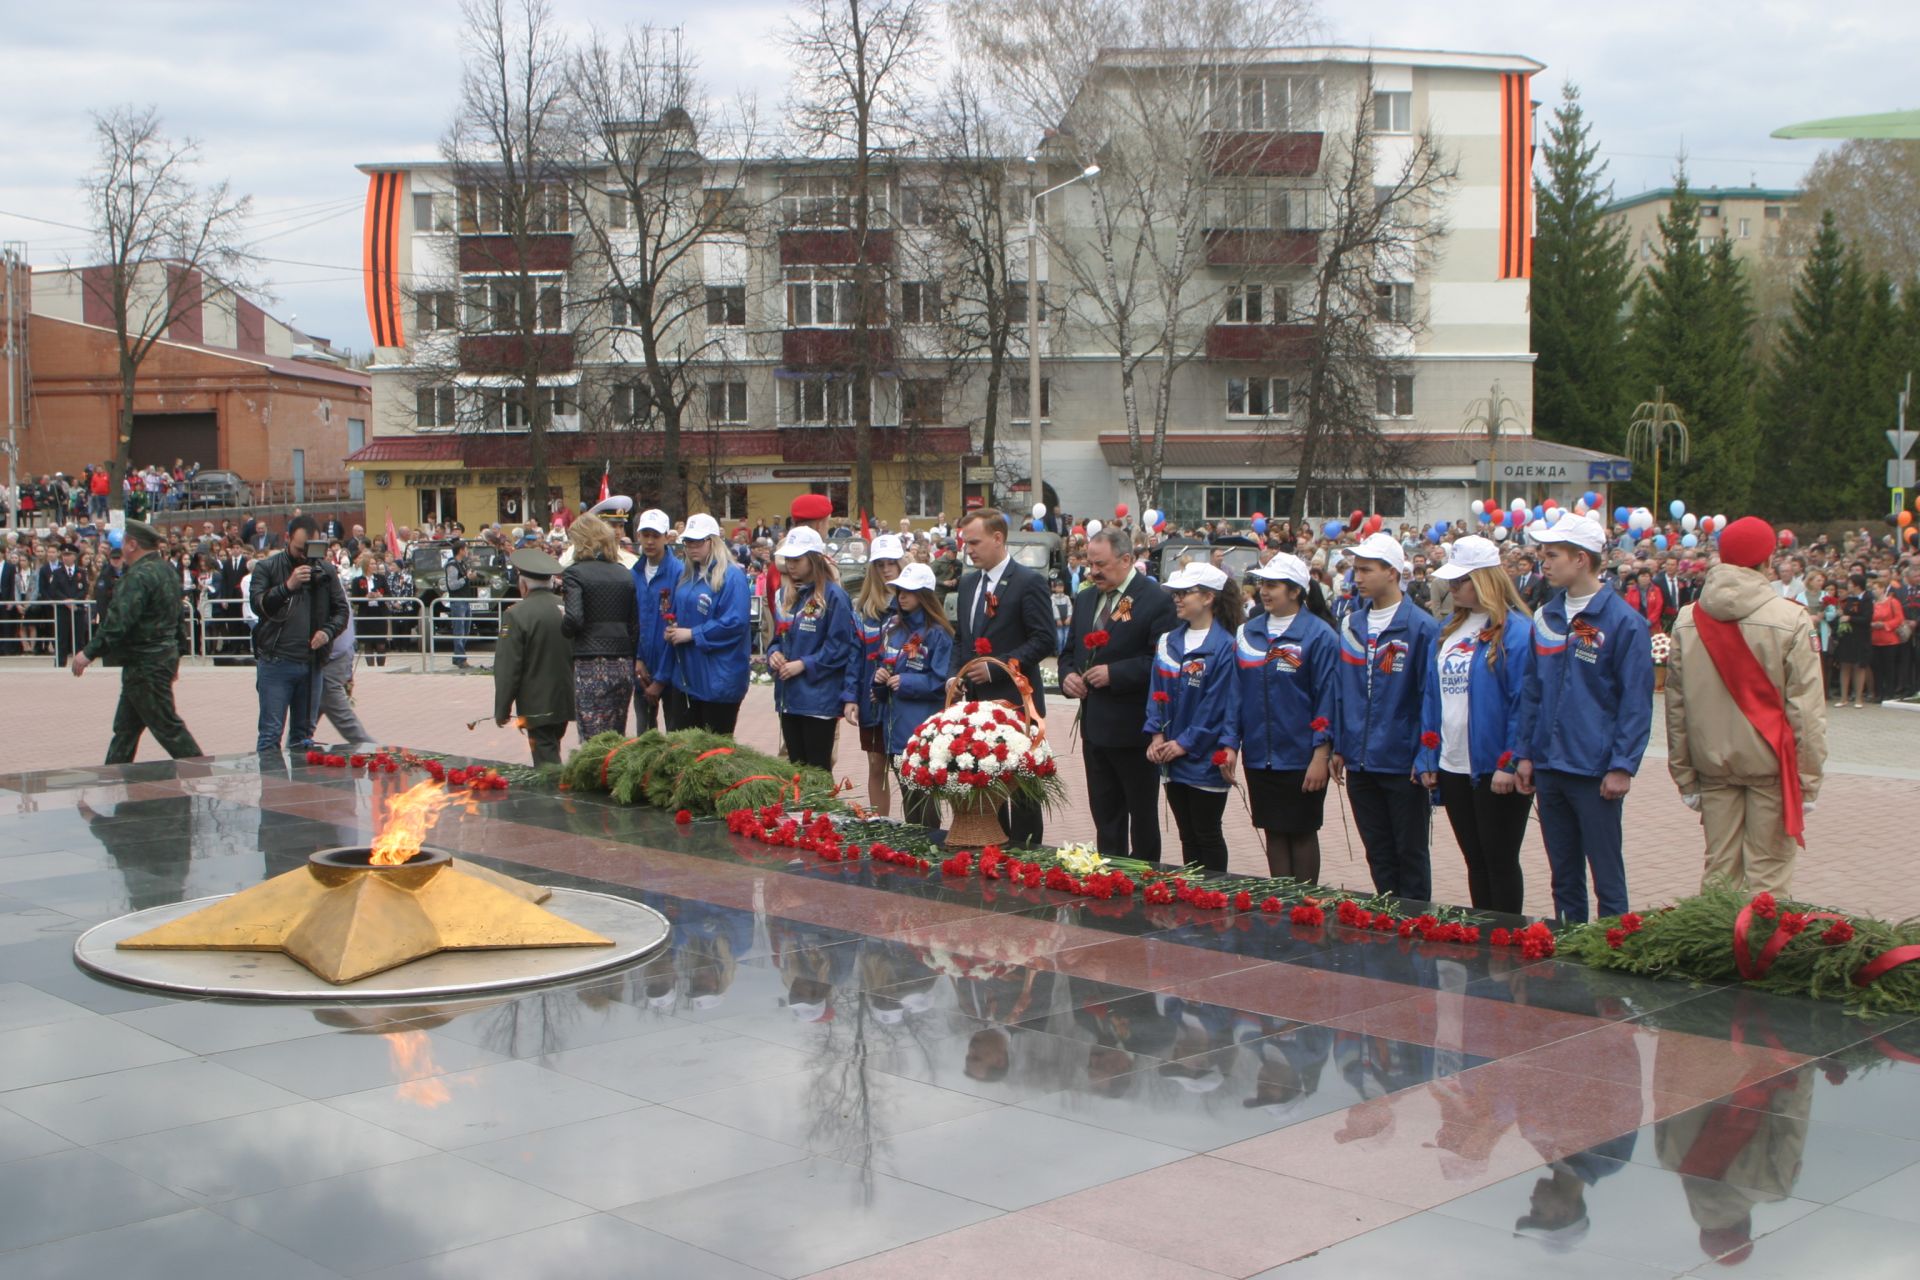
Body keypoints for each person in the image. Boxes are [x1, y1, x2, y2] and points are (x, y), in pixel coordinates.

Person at [1665, 517, 1826, 897]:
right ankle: (1756, 956)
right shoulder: (1791, 619)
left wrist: (1685, 776)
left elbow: (1676, 709)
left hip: (1712, 764)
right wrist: (1808, 781)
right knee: (1768, 879)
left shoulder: (1689, 619)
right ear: (1767, 561)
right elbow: (1806, 713)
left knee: (1719, 874)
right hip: (1772, 765)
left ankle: (1715, 952)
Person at [1515, 515, 1654, 923]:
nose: (1544, 563)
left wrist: (1622, 765)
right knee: (1563, 874)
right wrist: (1525, 754)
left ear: (1581, 560)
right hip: (1549, 766)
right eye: (1542, 554)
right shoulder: (1546, 617)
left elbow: (1635, 703)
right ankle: (1569, 945)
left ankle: (1613, 947)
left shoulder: (1624, 622)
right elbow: (1532, 690)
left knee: (1606, 876)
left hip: (1594, 771)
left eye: (1552, 555)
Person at [1419, 535, 1534, 914]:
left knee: (1499, 860)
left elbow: (1523, 701)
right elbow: (1433, 699)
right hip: (1453, 764)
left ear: (1485, 578)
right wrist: (1428, 756)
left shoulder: (1516, 631)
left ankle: (1507, 938)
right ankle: (1486, 936)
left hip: (1492, 767)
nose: (1452, 588)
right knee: (1475, 860)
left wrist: (1510, 761)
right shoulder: (1448, 632)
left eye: (1461, 581)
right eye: (1451, 581)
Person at [1331, 533, 1440, 902]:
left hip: (1401, 761)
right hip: (1360, 761)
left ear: (1392, 572)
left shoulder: (1421, 627)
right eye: (1354, 570)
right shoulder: (1351, 624)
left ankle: (1417, 923)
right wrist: (1338, 744)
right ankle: (1389, 916)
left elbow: (1429, 695)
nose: (1356, 578)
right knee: (1377, 850)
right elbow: (1341, 689)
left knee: (1409, 851)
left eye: (1366, 570)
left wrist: (1425, 754)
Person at [1060, 526, 1177, 862]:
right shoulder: (1085, 598)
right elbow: (1069, 653)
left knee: (1141, 816)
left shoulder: (1154, 600)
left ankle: (1143, 878)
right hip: (1095, 728)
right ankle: (1109, 876)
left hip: (1134, 729)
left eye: (1101, 565)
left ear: (1126, 560)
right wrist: (1068, 676)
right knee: (1105, 813)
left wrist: (1116, 673)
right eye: (1089, 563)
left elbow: (1162, 661)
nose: (1093, 571)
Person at [947, 508, 1057, 846]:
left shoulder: (1028, 582)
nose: (970, 549)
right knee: (986, 779)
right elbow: (961, 638)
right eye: (966, 543)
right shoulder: (967, 584)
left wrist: (1000, 666)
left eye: (976, 542)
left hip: (1016, 703)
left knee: (1021, 785)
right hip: (978, 704)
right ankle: (992, 843)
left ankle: (1026, 850)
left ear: (998, 538)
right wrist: (956, 675)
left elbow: (1044, 639)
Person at [1236, 553, 1339, 882]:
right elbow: (1237, 694)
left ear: (1296, 591)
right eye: (1262, 583)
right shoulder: (1248, 633)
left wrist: (1321, 754)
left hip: (1300, 756)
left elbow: (1328, 698)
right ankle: (1280, 907)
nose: (1264, 591)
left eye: (1274, 585)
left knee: (1301, 830)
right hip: (1259, 755)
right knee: (1274, 830)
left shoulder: (1320, 636)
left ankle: (1306, 906)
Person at [69, 521, 202, 763]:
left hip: (145, 664)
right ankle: (113, 779)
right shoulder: (166, 570)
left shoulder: (138, 576)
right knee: (125, 730)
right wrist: (175, 657)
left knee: (167, 727)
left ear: (133, 544)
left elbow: (117, 623)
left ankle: (202, 774)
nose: (119, 548)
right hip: (155, 660)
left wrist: (88, 653)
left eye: (123, 543)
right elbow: (177, 619)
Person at [1143, 563, 1242, 872]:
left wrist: (1185, 742)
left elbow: (1218, 705)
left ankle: (1214, 896)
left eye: (1185, 593)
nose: (1177, 599)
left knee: (1207, 832)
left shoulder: (1226, 646)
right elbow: (1156, 692)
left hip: (1204, 756)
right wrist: (1157, 735)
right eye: (1176, 593)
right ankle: (1195, 897)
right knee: (1187, 835)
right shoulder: (1167, 641)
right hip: (1172, 754)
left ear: (1209, 598)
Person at [249, 515, 348, 754]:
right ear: (287, 539)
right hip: (276, 662)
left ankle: (300, 790)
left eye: (311, 548)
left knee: (304, 737)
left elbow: (341, 611)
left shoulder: (325, 570)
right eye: (299, 548)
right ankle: (272, 789)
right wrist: (287, 586)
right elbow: (258, 605)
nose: (305, 555)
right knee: (271, 733)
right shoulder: (267, 567)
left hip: (312, 663)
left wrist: (327, 632)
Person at [765, 526, 859, 771]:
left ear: (814, 559)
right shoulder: (786, 595)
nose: (791, 565)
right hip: (789, 697)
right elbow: (778, 638)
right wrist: (773, 654)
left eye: (797, 559)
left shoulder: (834, 596)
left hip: (818, 699)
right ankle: (800, 811)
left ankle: (818, 812)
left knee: (816, 772)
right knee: (795, 770)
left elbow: (840, 646)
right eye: (788, 560)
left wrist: (803, 664)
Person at [659, 513, 752, 734]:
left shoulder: (731, 577)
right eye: (688, 541)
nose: (691, 546)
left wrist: (692, 634)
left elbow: (735, 623)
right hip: (687, 678)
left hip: (718, 680)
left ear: (713, 541)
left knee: (713, 752)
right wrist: (673, 631)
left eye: (698, 541)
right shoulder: (687, 576)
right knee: (682, 748)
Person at [877, 561, 953, 829]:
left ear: (925, 595)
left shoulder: (937, 634)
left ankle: (930, 846)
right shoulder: (894, 628)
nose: (902, 596)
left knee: (925, 797)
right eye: (900, 591)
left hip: (920, 728)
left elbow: (941, 679)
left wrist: (906, 682)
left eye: (909, 591)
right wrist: (880, 678)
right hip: (894, 726)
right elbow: (886, 663)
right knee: (909, 797)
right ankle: (915, 846)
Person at [560, 514, 639, 739]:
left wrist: (564, 626)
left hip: (590, 662)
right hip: (623, 662)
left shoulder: (575, 573)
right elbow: (634, 625)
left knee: (592, 737)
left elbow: (574, 618)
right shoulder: (625, 574)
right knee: (616, 735)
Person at [494, 546, 575, 765]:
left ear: (523, 585)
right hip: (565, 698)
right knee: (552, 746)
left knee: (546, 762)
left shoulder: (516, 615)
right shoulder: (567, 609)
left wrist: (502, 708)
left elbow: (508, 667)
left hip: (537, 703)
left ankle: (554, 799)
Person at [851, 534, 905, 815]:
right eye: (880, 564)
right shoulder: (862, 610)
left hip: (903, 699)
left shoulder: (912, 604)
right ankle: (880, 824)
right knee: (876, 762)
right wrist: (850, 697)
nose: (886, 569)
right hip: (871, 699)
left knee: (905, 768)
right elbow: (854, 657)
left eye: (891, 563)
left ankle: (916, 829)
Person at [629, 508, 681, 732]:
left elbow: (679, 625)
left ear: (666, 538)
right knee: (644, 736)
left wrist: (662, 678)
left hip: (672, 670)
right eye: (645, 535)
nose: (649, 541)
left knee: (674, 735)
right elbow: (632, 621)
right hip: (643, 670)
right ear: (638, 536)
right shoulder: (634, 573)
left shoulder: (679, 572)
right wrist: (637, 660)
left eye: (655, 536)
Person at [315, 571, 377, 748]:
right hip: (335, 657)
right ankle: (295, 746)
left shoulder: (329, 593)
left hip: (333, 659)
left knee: (344, 719)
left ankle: (375, 751)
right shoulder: (334, 591)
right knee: (308, 716)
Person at [41, 542, 91, 665]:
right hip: (62, 610)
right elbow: (53, 590)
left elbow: (84, 589)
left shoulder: (81, 572)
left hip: (77, 609)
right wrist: (65, 601)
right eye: (64, 555)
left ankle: (80, 664)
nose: (65, 557)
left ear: (74, 556)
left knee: (79, 639)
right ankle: (60, 664)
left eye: (68, 555)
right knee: (61, 639)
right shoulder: (57, 573)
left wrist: (74, 600)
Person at [1832, 572, 1873, 708]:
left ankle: (1859, 698)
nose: (1848, 586)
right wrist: (1842, 615)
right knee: (1845, 665)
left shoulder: (1867, 599)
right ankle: (1844, 698)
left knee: (1858, 666)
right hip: (1847, 637)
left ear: (1857, 586)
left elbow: (1867, 618)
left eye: (1850, 583)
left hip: (1860, 637)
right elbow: (1846, 614)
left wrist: (1850, 618)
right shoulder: (1849, 599)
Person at [1869, 575, 1906, 704]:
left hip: (1890, 639)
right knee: (1877, 667)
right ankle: (1879, 692)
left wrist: (1885, 625)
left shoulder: (1892, 602)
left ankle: (1890, 692)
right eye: (1872, 589)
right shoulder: (1872, 604)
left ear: (1883, 589)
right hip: (1875, 639)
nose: (1874, 591)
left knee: (1889, 667)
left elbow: (1899, 618)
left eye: (1876, 588)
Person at [444, 539, 477, 668]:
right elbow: (452, 585)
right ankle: (461, 658)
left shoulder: (462, 564)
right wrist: (466, 578)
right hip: (457, 600)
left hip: (465, 599)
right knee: (459, 630)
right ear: (461, 550)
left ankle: (457, 656)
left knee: (466, 629)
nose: (467, 551)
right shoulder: (452, 565)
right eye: (466, 549)